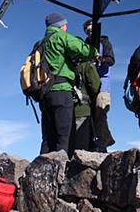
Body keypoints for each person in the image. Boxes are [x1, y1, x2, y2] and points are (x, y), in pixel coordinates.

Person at [38, 12, 98, 156]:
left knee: (47, 138)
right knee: (64, 136)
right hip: (61, 90)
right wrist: (95, 52)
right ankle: (60, 172)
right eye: (65, 25)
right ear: (61, 25)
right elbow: (83, 49)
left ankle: (40, 171)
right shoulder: (60, 36)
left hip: (44, 93)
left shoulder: (41, 42)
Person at [83, 20, 116, 151]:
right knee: (91, 115)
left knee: (101, 111)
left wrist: (100, 59)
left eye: (92, 30)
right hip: (89, 86)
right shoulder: (84, 44)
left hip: (103, 84)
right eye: (88, 31)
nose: (90, 33)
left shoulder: (105, 42)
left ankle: (104, 142)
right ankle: (96, 144)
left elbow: (111, 60)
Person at [73, 61, 101, 151]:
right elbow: (95, 86)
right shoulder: (86, 64)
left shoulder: (62, 61)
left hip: (62, 111)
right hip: (81, 110)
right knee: (81, 147)